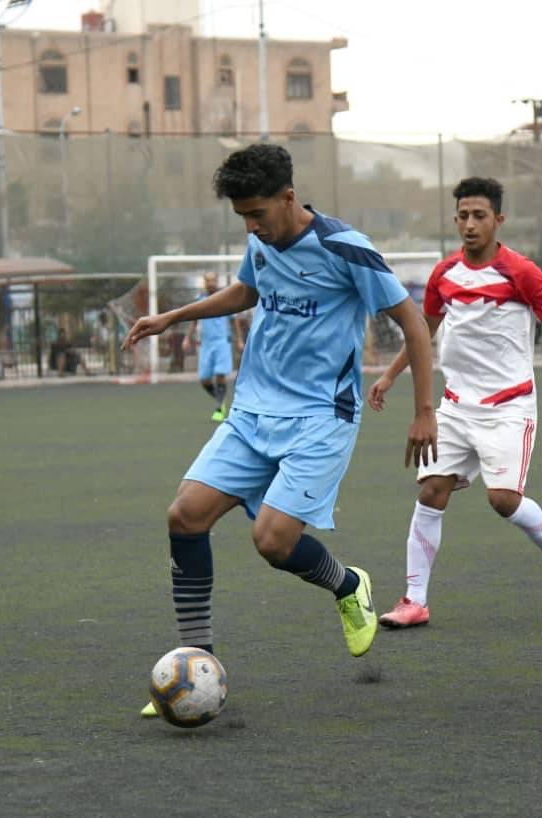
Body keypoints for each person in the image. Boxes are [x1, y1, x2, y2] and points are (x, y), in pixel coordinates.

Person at [123, 144, 438, 716]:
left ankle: (347, 586)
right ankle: (198, 665)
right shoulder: (260, 242)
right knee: (183, 516)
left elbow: (414, 325)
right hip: (251, 411)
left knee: (272, 542)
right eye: (242, 216)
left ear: (289, 197)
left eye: (258, 214)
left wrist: (424, 411)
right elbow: (246, 291)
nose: (251, 225)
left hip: (321, 418)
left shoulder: (346, 249)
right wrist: (174, 315)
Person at [367, 176, 542, 628]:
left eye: (479, 216)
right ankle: (415, 600)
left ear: (498, 220)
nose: (470, 224)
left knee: (503, 499)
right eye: (463, 216)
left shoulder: (521, 272)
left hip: (509, 407)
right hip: (455, 405)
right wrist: (391, 376)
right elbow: (423, 331)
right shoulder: (444, 274)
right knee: (431, 491)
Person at [183, 272, 239, 421]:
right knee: (204, 379)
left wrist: (239, 340)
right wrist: (187, 339)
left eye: (213, 280)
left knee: (220, 374)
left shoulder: (225, 298)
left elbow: (234, 321)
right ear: (204, 282)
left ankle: (219, 407)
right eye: (208, 280)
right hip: (206, 344)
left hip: (222, 342)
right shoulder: (200, 300)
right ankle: (220, 400)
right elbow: (193, 320)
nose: (211, 283)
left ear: (216, 281)